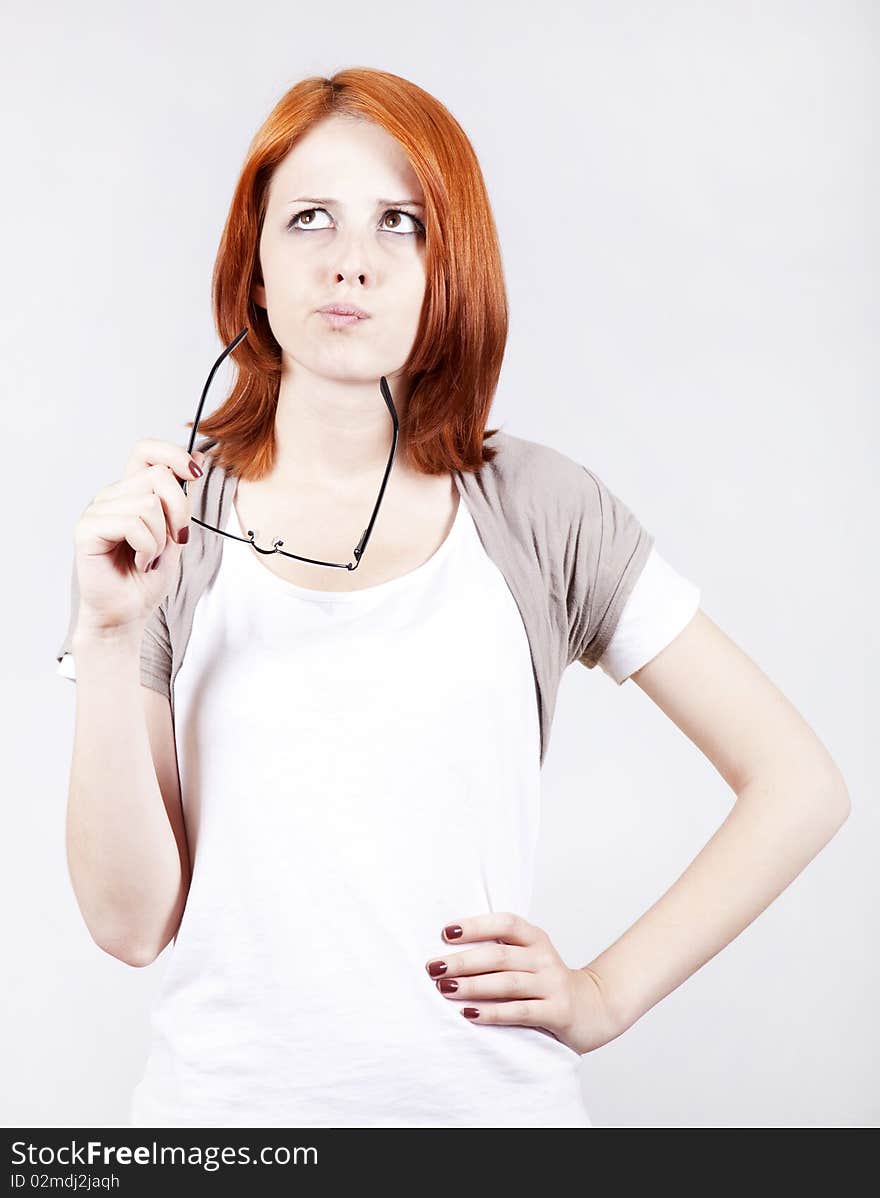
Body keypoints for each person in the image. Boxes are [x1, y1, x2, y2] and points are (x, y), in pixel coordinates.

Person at [56, 68, 851, 1129]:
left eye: (401, 223)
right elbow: (130, 923)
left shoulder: (537, 508)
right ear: (253, 266)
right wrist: (109, 638)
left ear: (448, 268)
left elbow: (799, 783)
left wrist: (604, 994)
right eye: (309, 220)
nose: (350, 261)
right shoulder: (170, 523)